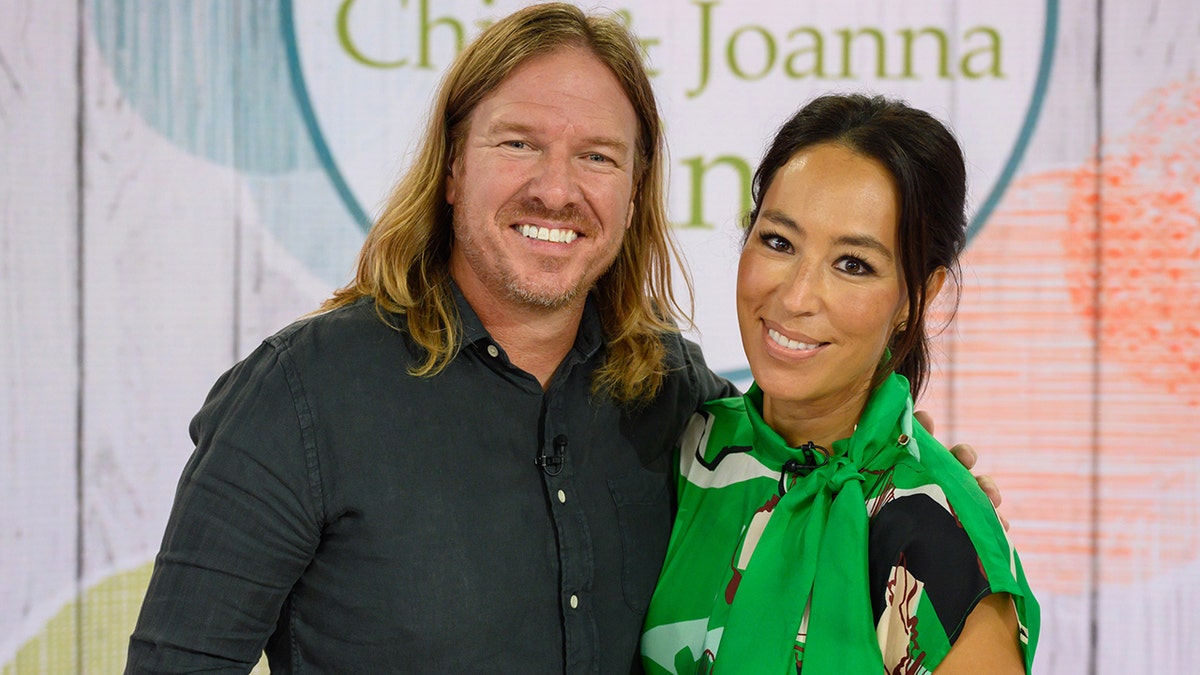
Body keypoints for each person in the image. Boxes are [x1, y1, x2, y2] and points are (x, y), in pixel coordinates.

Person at [126, 5, 997, 673]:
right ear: (453, 164)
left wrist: (930, 493)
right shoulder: (302, 396)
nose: (556, 188)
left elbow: (809, 460)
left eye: (598, 157)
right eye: (519, 142)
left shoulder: (672, 393)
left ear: (635, 190)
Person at [640, 94, 1039, 674]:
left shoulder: (938, 536)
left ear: (915, 296)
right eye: (778, 241)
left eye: (853, 263)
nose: (796, 297)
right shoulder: (686, 451)